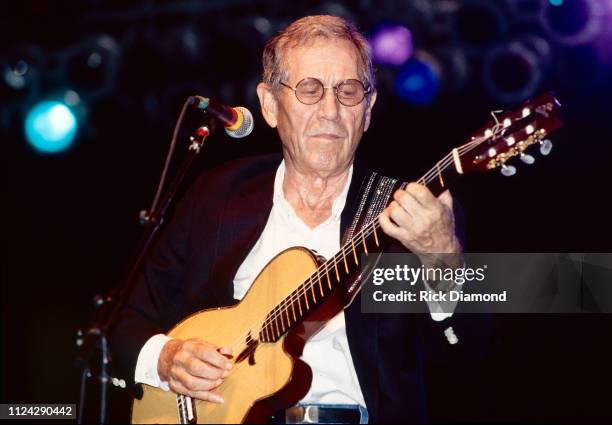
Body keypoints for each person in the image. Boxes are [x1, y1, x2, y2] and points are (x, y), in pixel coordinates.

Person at [110, 15, 480, 424]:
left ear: (369, 109)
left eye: (349, 91)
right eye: (309, 89)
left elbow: (472, 353)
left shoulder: (413, 216)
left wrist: (443, 257)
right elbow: (122, 321)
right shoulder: (216, 194)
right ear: (269, 105)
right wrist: (166, 358)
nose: (330, 111)